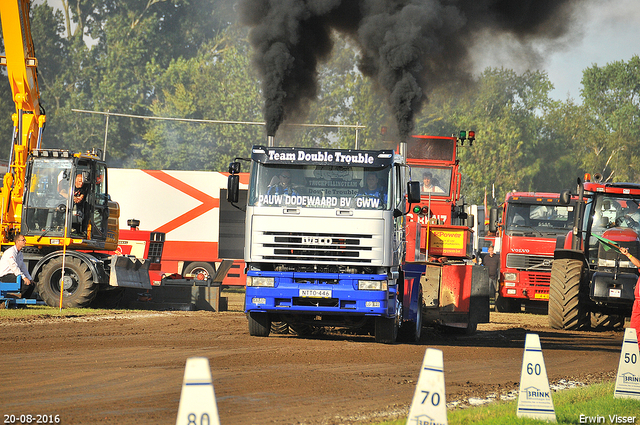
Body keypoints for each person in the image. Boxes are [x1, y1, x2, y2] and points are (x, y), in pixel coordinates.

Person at [0, 234, 34, 299]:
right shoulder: (10, 252)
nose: (25, 241)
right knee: (24, 284)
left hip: (14, 275)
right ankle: (16, 299)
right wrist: (24, 278)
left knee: (31, 285)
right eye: (23, 240)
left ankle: (23, 301)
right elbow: (14, 266)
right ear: (17, 241)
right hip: (4, 276)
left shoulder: (20, 254)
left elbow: (23, 267)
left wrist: (30, 278)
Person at [619, 246, 640, 349]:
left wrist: (628, 255)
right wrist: (627, 254)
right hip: (638, 302)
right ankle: (636, 351)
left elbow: (638, 264)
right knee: (635, 329)